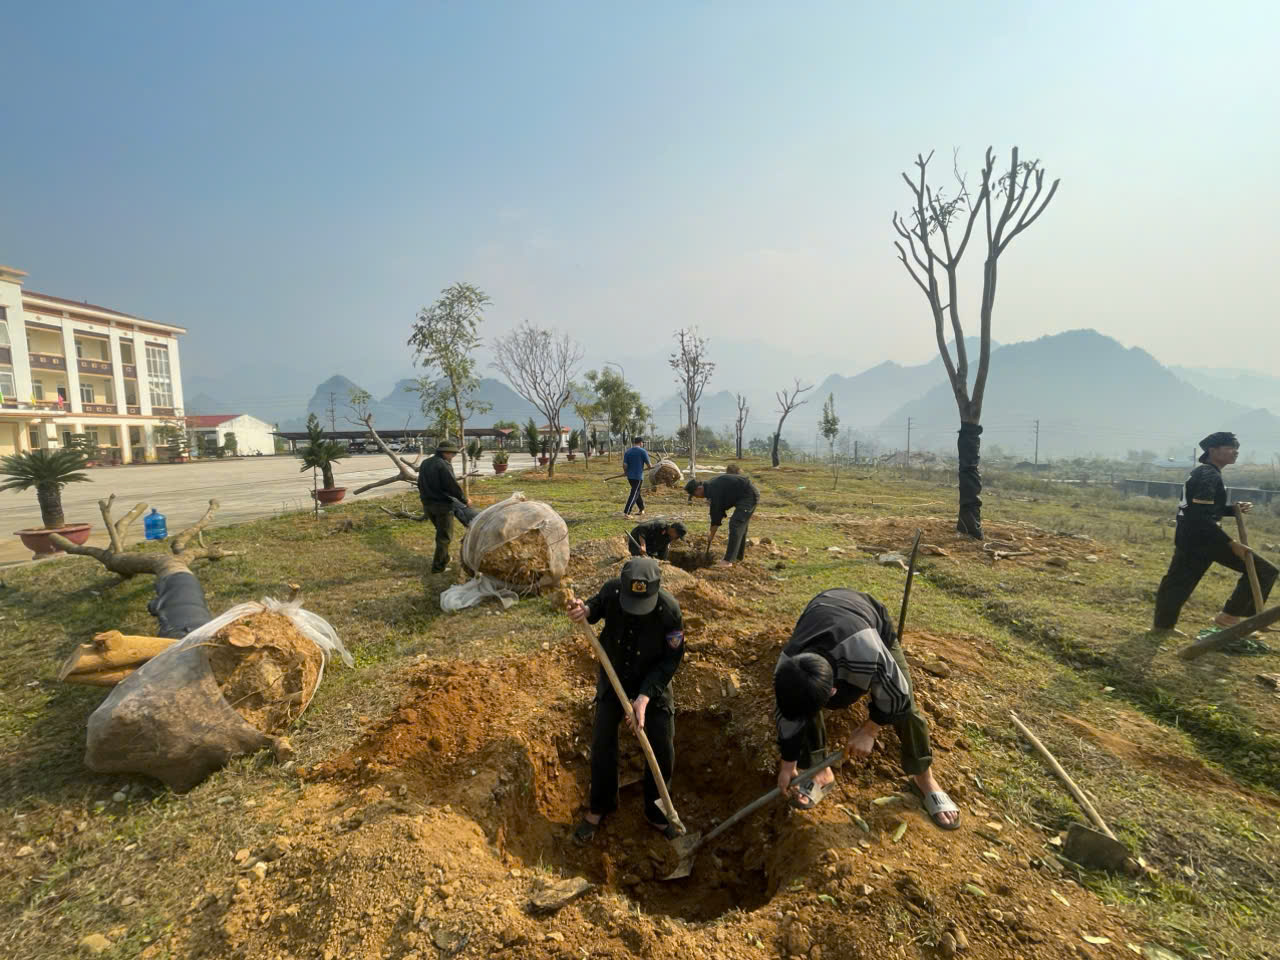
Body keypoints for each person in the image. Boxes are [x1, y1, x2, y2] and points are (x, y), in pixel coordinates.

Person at [773, 588, 960, 830]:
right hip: (823, 606)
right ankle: (820, 771)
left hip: (868, 620)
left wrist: (870, 730)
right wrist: (788, 763)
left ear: (833, 691)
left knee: (907, 710)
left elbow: (898, 695)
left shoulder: (868, 652)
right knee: (805, 701)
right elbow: (789, 714)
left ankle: (924, 778)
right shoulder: (787, 668)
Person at [565, 557, 685, 843]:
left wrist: (644, 698)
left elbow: (671, 661)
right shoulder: (613, 591)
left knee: (662, 745)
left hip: (651, 684)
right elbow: (595, 607)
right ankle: (601, 805)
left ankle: (657, 812)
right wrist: (585, 609)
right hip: (614, 675)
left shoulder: (669, 611)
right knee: (602, 741)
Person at [1153, 432, 1278, 634]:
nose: (1235, 452)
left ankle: (1162, 626)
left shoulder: (1205, 472)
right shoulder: (1209, 475)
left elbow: (1203, 509)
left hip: (1192, 536)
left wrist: (1231, 509)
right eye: (1230, 448)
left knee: (1178, 581)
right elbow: (1201, 516)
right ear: (1213, 451)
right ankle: (1229, 617)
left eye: (1237, 448)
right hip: (1204, 537)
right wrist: (1231, 543)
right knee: (1265, 570)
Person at [417, 440, 469, 573]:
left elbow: (420, 483)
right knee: (444, 537)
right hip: (442, 506)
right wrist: (465, 500)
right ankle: (438, 567)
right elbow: (452, 486)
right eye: (452, 454)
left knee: (440, 533)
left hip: (427, 504)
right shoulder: (443, 465)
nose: (453, 457)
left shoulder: (425, 462)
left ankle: (444, 558)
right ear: (445, 452)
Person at [685, 472, 759, 566]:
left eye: (695, 495)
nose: (697, 497)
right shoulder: (710, 488)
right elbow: (716, 512)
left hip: (749, 496)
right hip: (743, 496)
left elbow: (716, 514)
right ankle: (738, 557)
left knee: (735, 524)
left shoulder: (713, 489)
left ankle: (728, 561)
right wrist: (712, 533)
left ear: (699, 489)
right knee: (740, 526)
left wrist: (711, 535)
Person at [622, 436, 652, 517]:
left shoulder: (627, 451)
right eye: (643, 443)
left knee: (636, 492)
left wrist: (625, 472)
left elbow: (624, 465)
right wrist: (650, 468)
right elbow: (649, 465)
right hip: (638, 477)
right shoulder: (643, 451)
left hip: (630, 477)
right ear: (640, 443)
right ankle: (627, 512)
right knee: (634, 493)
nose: (643, 444)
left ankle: (641, 509)